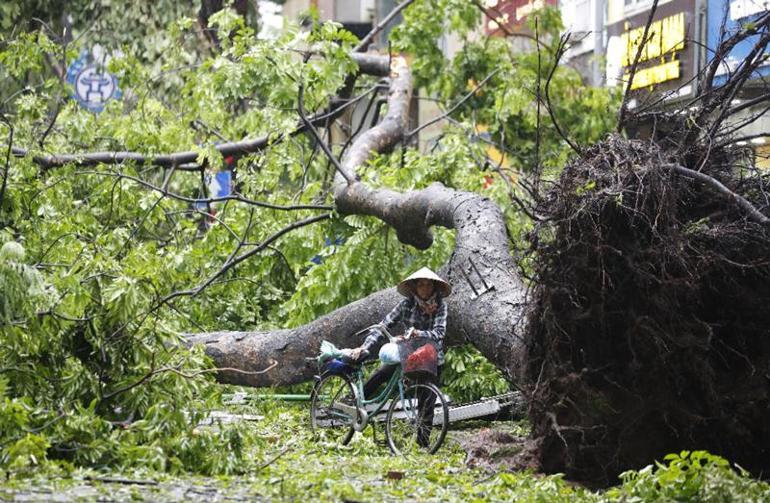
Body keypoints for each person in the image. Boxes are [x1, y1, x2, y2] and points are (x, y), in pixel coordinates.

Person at [349, 267, 451, 446]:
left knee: (426, 399)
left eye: (428, 285)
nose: (425, 289)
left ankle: (423, 444)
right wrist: (364, 347)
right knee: (382, 373)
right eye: (421, 285)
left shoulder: (441, 306)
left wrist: (419, 333)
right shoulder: (407, 305)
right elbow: (384, 325)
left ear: (434, 288)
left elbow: (439, 332)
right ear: (415, 288)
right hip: (408, 353)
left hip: (431, 356)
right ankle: (353, 404)